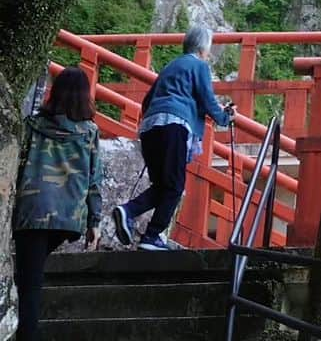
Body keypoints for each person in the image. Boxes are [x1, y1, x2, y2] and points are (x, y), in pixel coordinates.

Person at [112, 24, 234, 250]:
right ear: (203, 48)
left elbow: (147, 101)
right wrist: (225, 118)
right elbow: (208, 100)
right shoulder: (199, 66)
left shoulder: (170, 66)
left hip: (151, 127)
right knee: (175, 187)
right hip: (174, 126)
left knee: (163, 185)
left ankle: (130, 214)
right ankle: (151, 235)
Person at [14, 66, 102, 341]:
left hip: (33, 211)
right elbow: (94, 178)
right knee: (31, 271)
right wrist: (94, 222)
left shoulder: (32, 125)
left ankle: (28, 333)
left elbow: (17, 164)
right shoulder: (89, 132)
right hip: (68, 216)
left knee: (30, 277)